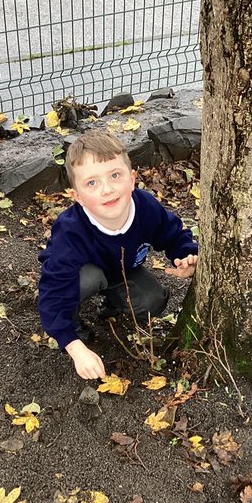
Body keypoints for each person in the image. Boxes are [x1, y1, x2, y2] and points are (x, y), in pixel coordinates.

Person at [38, 130, 198, 381]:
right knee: (85, 281)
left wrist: (186, 255)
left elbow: (172, 232)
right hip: (85, 270)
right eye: (92, 183)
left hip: (124, 267)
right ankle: (72, 321)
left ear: (132, 179)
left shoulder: (145, 206)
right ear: (76, 196)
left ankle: (110, 306)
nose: (107, 189)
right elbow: (53, 291)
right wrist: (73, 346)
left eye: (115, 175)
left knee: (153, 301)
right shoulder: (70, 230)